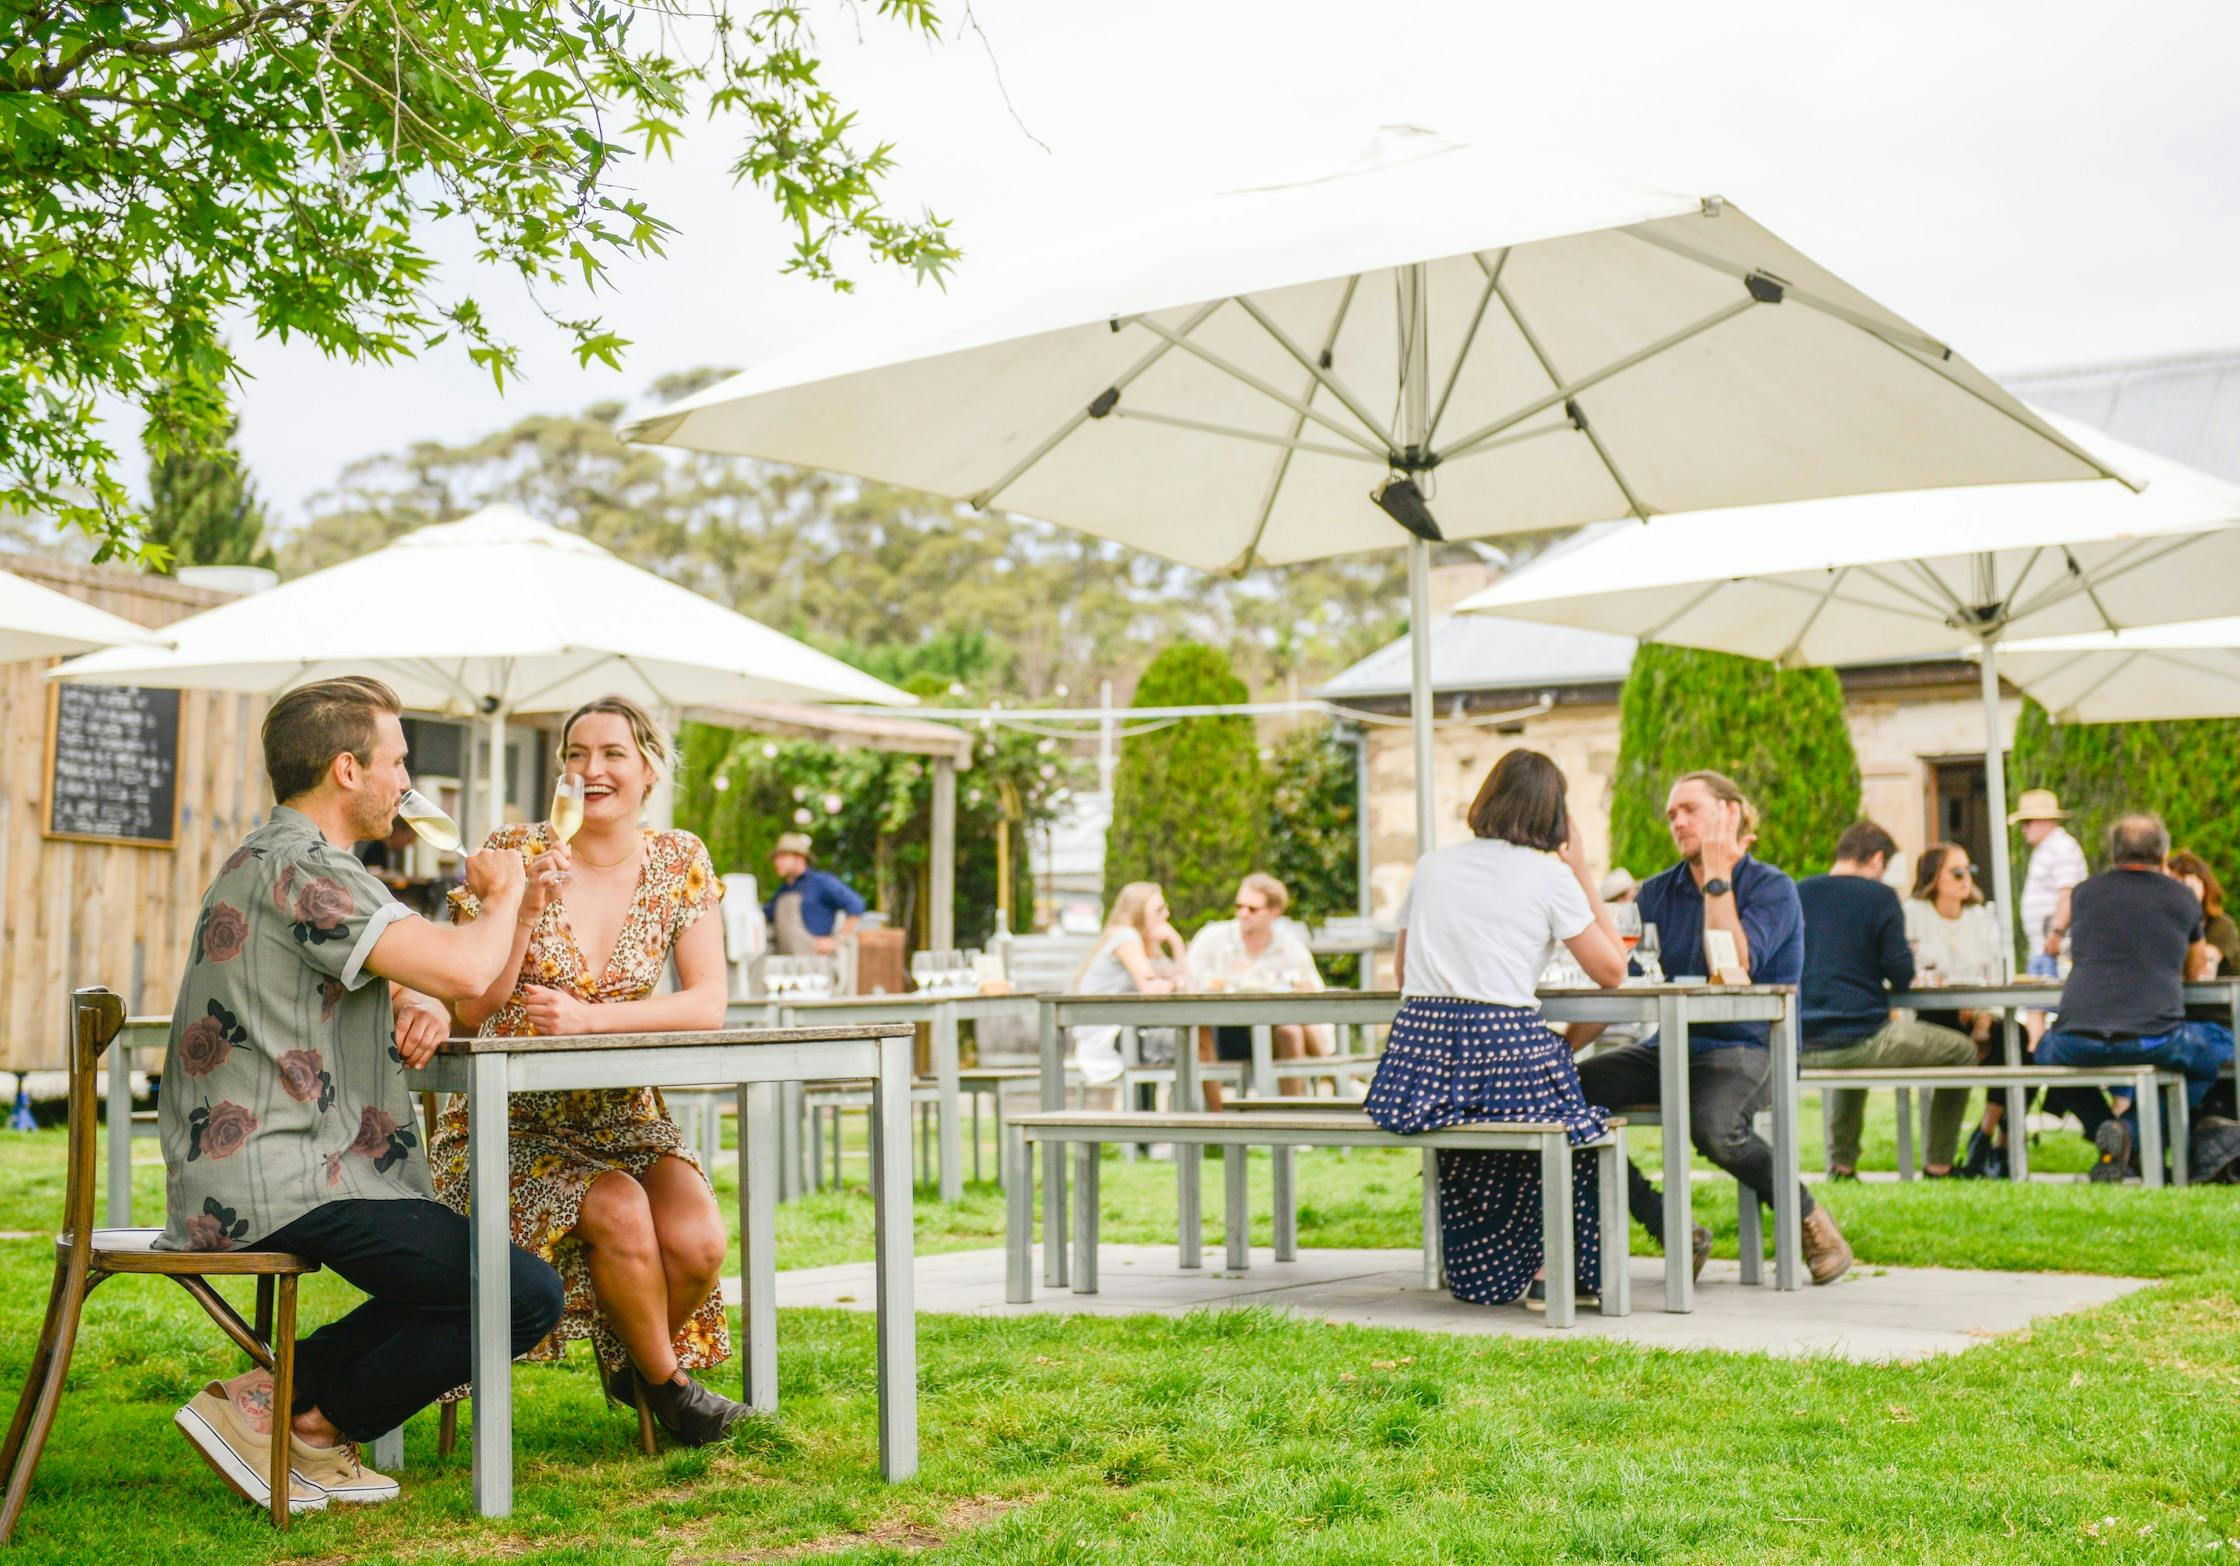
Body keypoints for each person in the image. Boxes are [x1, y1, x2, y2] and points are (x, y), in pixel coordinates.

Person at [161, 677, 563, 1516]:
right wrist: (503, 893)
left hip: (283, 1166)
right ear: (348, 768)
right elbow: (462, 969)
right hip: (278, 1174)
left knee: (477, 1280)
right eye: (398, 762)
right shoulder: (304, 869)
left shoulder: (300, 863)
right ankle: (311, 1429)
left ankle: (268, 1402)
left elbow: (458, 991)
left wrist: (424, 979)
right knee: (522, 1294)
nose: (408, 784)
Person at [429, 696, 740, 1445]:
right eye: (575, 753)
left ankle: (643, 1365)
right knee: (621, 1207)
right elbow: (473, 1007)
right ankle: (669, 1389)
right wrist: (524, 909)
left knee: (699, 1242)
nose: (590, 770)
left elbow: (707, 1005)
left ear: (649, 770)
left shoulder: (679, 860)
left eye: (611, 754)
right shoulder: (511, 851)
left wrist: (590, 1019)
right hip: (507, 1120)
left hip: (622, 1113)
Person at [1364, 749, 1628, 1308]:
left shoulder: (1433, 864)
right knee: (1578, 1128)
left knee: (1491, 1132)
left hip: (1418, 1053)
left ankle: (1486, 1267)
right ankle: (1559, 1270)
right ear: (1554, 815)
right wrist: (1582, 871)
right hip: (1500, 1041)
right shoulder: (1551, 875)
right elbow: (1612, 971)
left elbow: (1401, 969)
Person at [1575, 770, 1853, 1286]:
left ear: (1730, 814)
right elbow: (1621, 986)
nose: (1676, 821)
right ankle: (1669, 1226)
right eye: (1671, 814)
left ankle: (1811, 1218)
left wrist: (1719, 877)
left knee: (1713, 1125)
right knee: (1566, 1096)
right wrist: (1559, 1052)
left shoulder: (1772, 888)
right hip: (1672, 1046)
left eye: (1690, 810)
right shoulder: (1658, 892)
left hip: (1750, 1046)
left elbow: (1735, 969)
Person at [2036, 814, 2237, 1180]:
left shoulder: (2084, 894)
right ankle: (2129, 1132)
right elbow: (2193, 973)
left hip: (2075, 1037)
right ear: (2162, 854)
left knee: (2042, 1054)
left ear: (2114, 853)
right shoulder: (2181, 898)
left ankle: (2110, 1137)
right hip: (2154, 1037)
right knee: (2219, 1046)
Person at [1796, 822, 1976, 1179]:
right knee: (1962, 1051)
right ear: (1878, 858)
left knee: (1852, 1043)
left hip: (1800, 1039)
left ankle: (1842, 1165)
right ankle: (1939, 1165)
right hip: (1860, 1038)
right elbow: (1901, 975)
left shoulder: (1799, 892)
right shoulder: (1880, 898)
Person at [1188, 873, 1329, 1098]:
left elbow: (1313, 993)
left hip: (1274, 1034)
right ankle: (1331, 1067)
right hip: (1223, 1033)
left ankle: (1291, 1115)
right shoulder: (1212, 939)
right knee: (1201, 1030)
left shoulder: (1290, 948)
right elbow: (1191, 981)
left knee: (1291, 1031)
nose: (1243, 914)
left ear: (1274, 912)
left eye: (1252, 909)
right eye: (1239, 906)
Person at [1071, 882, 1186, 1089]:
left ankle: (1179, 1116)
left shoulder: (1141, 941)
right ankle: (1198, 1115)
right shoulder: (1125, 936)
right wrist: (1176, 983)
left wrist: (1176, 943)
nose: (1166, 914)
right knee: (1188, 1041)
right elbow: (1152, 989)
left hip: (1127, 1031)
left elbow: (1179, 979)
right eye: (1159, 909)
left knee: (1190, 1038)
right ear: (1139, 912)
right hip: (1105, 1040)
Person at [762, 832, 865, 957]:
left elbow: (856, 904)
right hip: (787, 966)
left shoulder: (821, 882)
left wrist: (837, 940)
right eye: (776, 858)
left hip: (816, 964)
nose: (777, 862)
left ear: (800, 857)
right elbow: (765, 916)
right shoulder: (782, 892)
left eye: (782, 857)